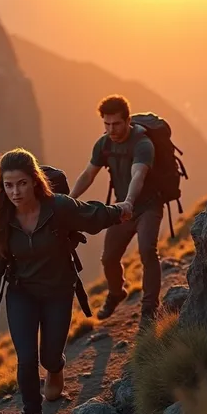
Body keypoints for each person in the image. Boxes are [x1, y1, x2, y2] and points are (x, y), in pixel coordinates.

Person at [0, 148, 130, 414]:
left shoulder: (57, 207)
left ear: (34, 181)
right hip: (22, 294)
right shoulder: (0, 220)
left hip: (58, 291)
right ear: (1, 186)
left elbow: (92, 215)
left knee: (49, 355)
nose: (15, 192)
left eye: (21, 183)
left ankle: (55, 367)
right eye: (8, 185)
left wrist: (120, 210)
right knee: (27, 357)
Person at [70, 94, 162, 328]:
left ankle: (149, 309)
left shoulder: (143, 144)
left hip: (147, 206)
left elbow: (138, 175)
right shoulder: (104, 144)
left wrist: (129, 202)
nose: (111, 129)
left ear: (128, 120)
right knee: (109, 258)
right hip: (122, 208)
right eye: (106, 124)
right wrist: (69, 201)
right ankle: (116, 292)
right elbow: (88, 174)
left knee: (147, 251)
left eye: (116, 124)